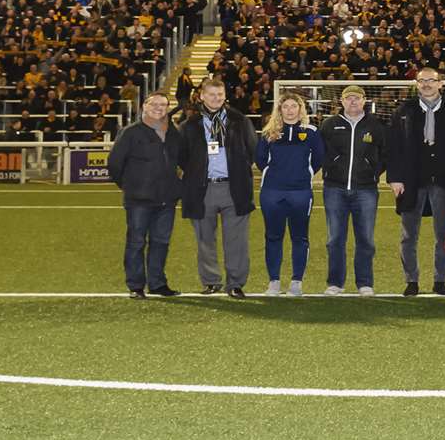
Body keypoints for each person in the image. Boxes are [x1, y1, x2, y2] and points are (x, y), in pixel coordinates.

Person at [387, 68, 445, 296]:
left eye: (431, 81)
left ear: (441, 84)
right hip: (411, 181)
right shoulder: (404, 111)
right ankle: (411, 281)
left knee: (444, 234)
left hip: (444, 181)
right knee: (408, 235)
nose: (426, 85)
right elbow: (392, 147)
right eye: (421, 81)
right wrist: (394, 177)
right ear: (416, 84)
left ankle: (440, 281)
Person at [178, 77, 258, 297]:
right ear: (202, 96)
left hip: (234, 187)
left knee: (237, 241)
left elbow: (252, 150)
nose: (216, 99)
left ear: (225, 96)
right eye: (212, 94)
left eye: (220, 95)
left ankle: (236, 283)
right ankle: (211, 281)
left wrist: (239, 170)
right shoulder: (189, 125)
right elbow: (182, 157)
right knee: (205, 239)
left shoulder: (240, 121)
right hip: (202, 189)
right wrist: (197, 172)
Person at [107, 94, 186, 298]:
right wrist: (129, 186)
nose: (159, 108)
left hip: (167, 199)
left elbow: (183, 159)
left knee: (161, 242)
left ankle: (157, 283)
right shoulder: (130, 132)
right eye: (155, 104)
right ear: (145, 106)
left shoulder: (173, 133)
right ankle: (136, 285)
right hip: (138, 200)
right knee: (136, 242)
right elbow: (115, 163)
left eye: (164, 105)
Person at [255, 94, 327, 296]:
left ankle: (296, 282)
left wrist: (304, 174)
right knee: (273, 236)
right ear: (279, 109)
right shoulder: (269, 133)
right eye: (285, 106)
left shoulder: (311, 132)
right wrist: (276, 174)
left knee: (300, 237)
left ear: (300, 109)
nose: (289, 110)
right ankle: (274, 282)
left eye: (293, 106)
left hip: (301, 192)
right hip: (272, 192)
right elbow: (260, 159)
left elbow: (319, 158)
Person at [320, 85, 387, 295]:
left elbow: (385, 154)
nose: (352, 102)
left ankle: (365, 283)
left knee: (365, 239)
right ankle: (335, 283)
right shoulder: (329, 125)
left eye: (356, 98)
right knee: (335, 239)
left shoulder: (376, 126)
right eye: (348, 98)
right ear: (341, 101)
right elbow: (321, 152)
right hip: (334, 189)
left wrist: (372, 170)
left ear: (364, 100)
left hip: (366, 190)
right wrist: (332, 166)